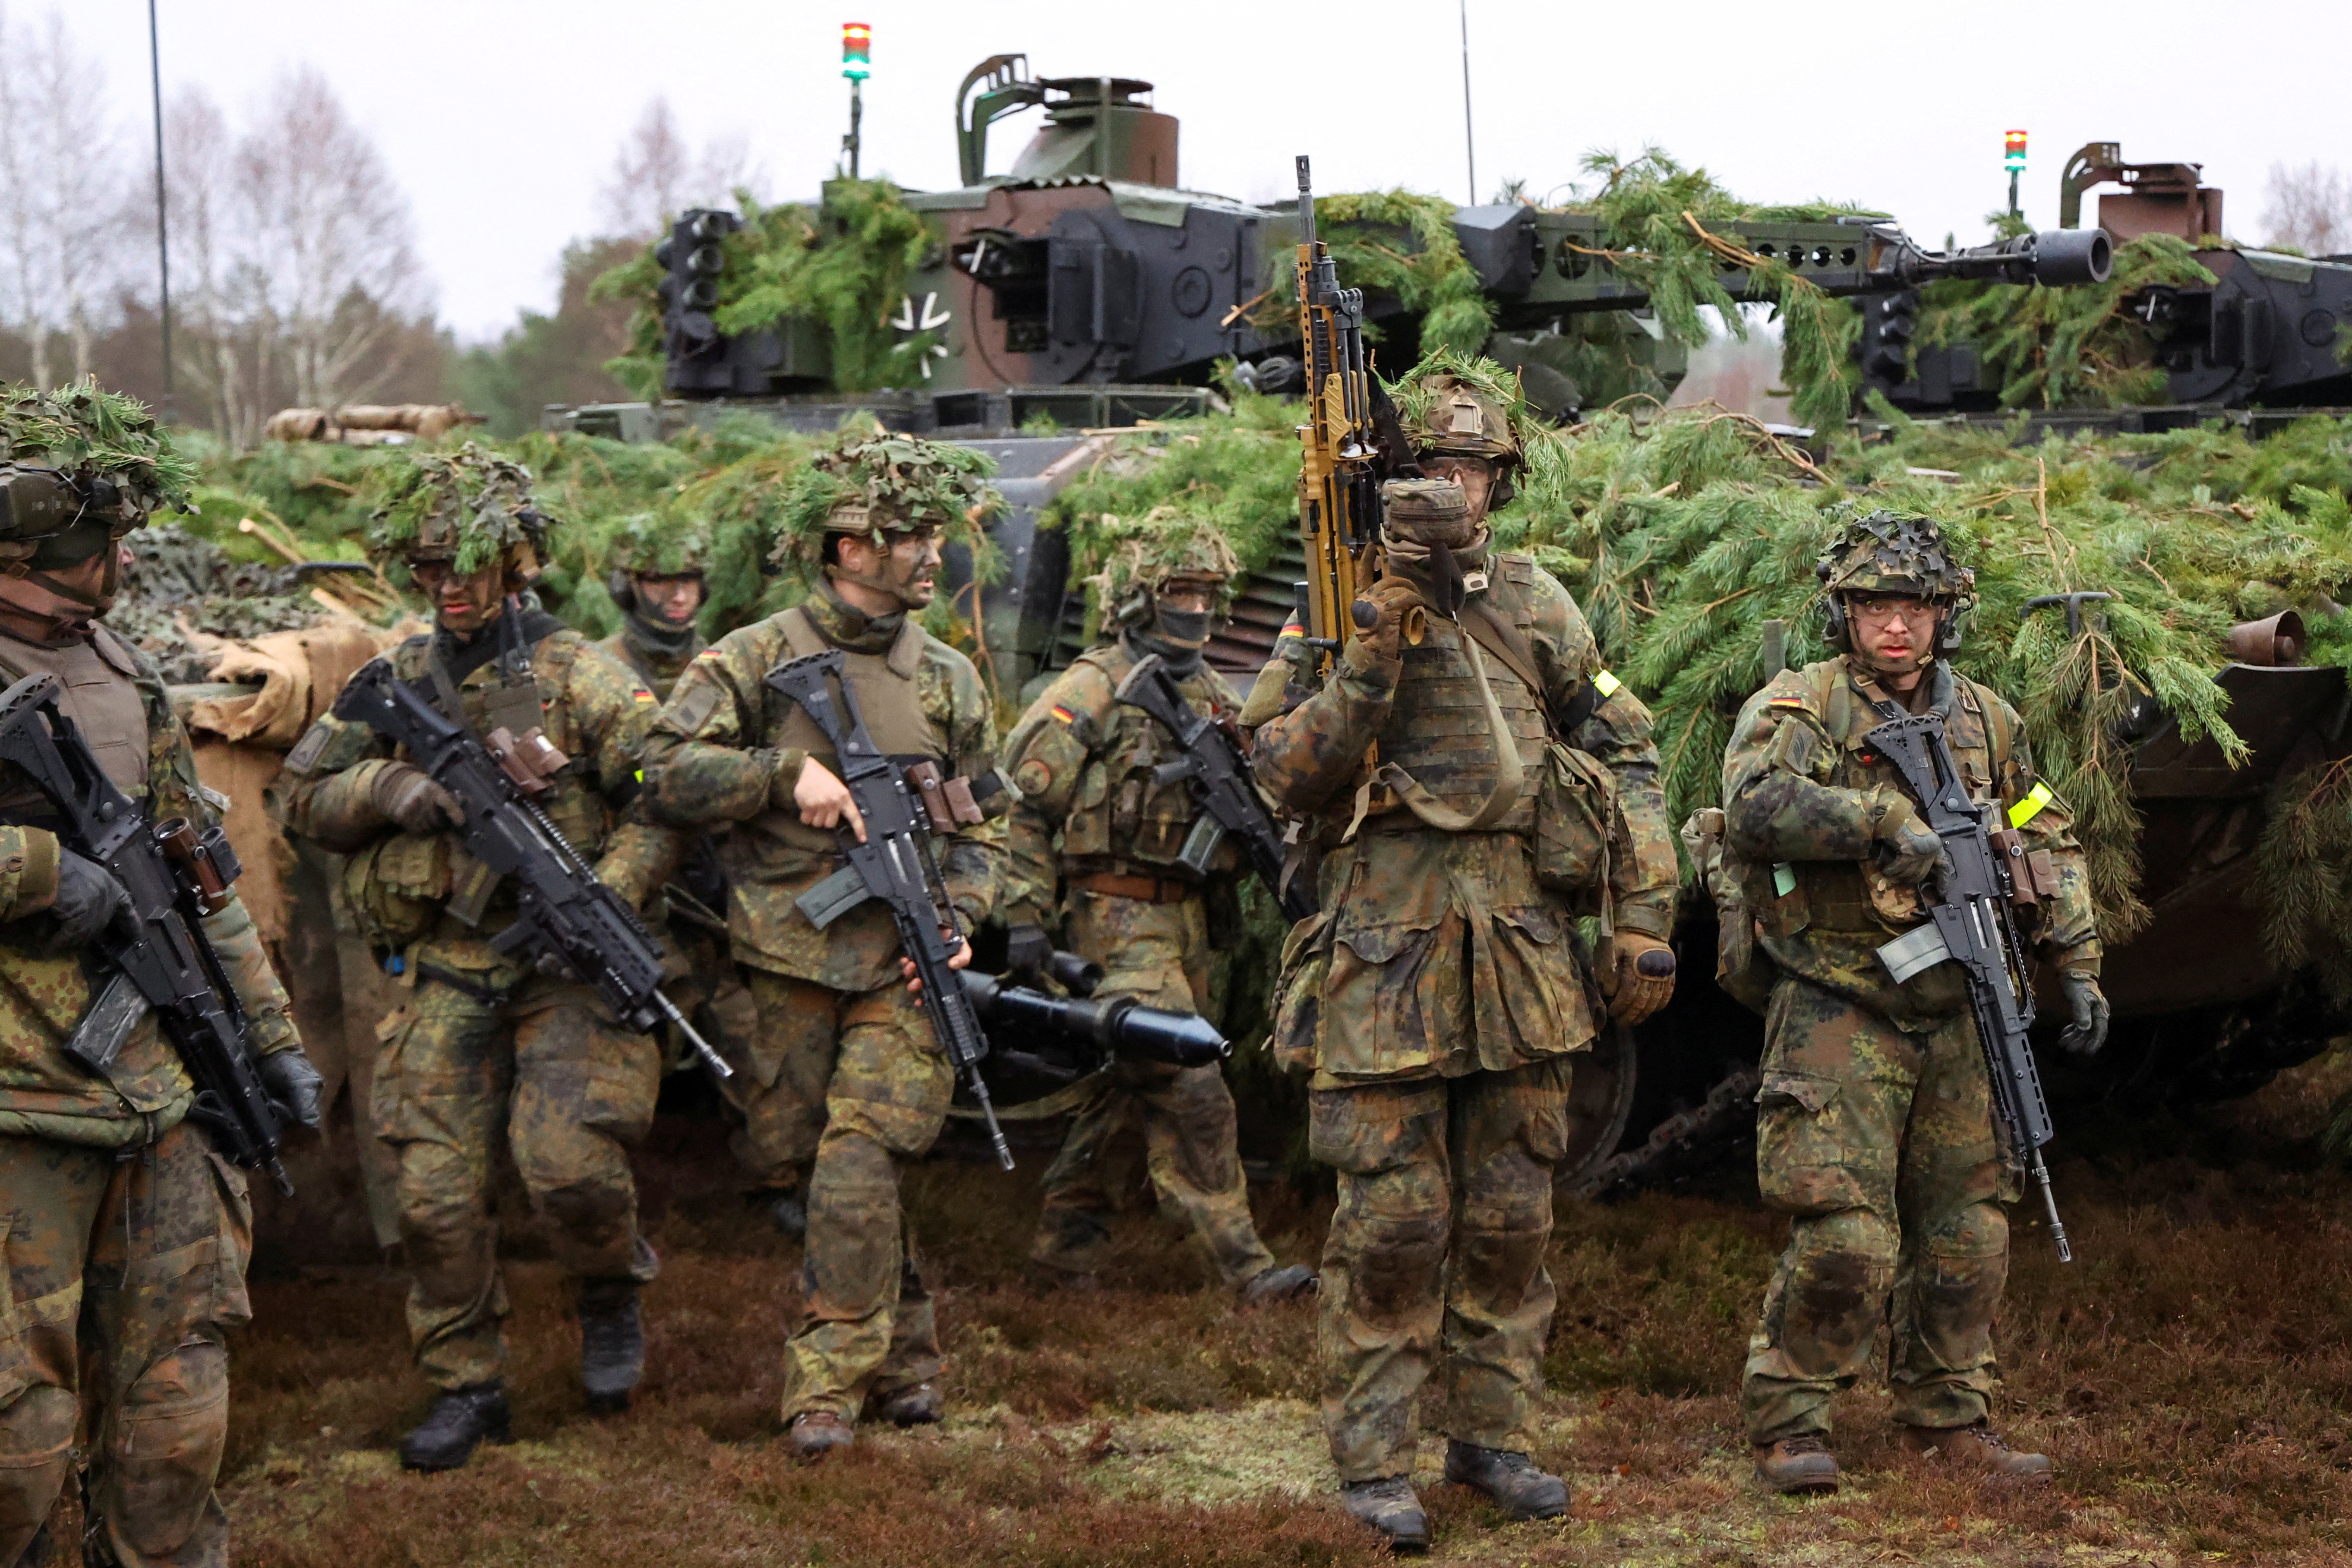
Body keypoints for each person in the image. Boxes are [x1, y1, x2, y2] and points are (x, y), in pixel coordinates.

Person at [1249, 357, 1680, 1552]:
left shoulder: (1540, 604)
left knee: (1511, 1217)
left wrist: (1641, 911)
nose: (1452, 487)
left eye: (1471, 469)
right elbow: (1278, 769)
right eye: (1428, 467)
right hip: (1384, 947)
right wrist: (1372, 651)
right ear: (1388, 482)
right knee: (1389, 1224)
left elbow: (1627, 749)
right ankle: (1373, 1460)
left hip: (1522, 950)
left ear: (1499, 483)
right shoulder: (1335, 602)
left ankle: (1492, 1436)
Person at [275, 445, 680, 1471]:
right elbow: (299, 798)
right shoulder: (396, 681)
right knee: (434, 1195)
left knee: (571, 1166)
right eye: (429, 565)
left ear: (517, 562)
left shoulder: (582, 674)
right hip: (452, 961)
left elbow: (660, 802)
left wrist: (605, 895)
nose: (449, 584)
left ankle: (607, 1293)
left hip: (567, 968)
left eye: (470, 561)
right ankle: (468, 1384)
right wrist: (386, 793)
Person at [639, 429, 1008, 1458]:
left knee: (859, 1155)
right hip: (785, 961)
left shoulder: (946, 676)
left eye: (936, 533)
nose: (931, 553)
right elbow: (656, 769)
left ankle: (824, 1389)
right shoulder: (752, 658)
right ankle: (907, 1351)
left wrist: (963, 914)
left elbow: (988, 818)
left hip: (903, 964)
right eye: (906, 535)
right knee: (802, 1168)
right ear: (845, 547)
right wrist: (776, 776)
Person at [1723, 510, 2107, 1496]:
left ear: (1945, 615)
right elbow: (1757, 808)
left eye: (1915, 607)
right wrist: (1879, 820)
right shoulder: (1798, 705)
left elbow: (2042, 828)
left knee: (1968, 1231)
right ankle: (1791, 1419)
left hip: (1963, 995)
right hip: (1840, 993)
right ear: (1843, 613)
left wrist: (2077, 956)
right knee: (1844, 1233)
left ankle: (1949, 1415)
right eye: (1873, 605)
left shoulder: (1986, 718)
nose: (1895, 626)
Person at [0, 382, 317, 1567]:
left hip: (164, 1092)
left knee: (178, 1414)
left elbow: (199, 876)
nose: (124, 558)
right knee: (14, 1444)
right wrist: (40, 871)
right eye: (105, 538)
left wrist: (273, 1039)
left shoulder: (121, 673)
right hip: (19, 1108)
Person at [998, 511, 1314, 1304]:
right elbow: (1019, 806)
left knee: (1127, 1083)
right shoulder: (1092, 689)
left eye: (1210, 593)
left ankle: (1063, 1252)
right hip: (1114, 918)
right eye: (1179, 591)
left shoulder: (1203, 689)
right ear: (1139, 597)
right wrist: (1026, 917)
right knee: (1187, 1079)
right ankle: (1245, 1268)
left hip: (1185, 921)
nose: (1197, 610)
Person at [596, 515, 764, 1221]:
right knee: (615, 1060)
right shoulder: (597, 670)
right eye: (661, 580)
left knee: (759, 1049)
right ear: (627, 586)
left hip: (722, 885)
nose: (677, 596)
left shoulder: (729, 666)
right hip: (635, 890)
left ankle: (777, 1181)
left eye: (688, 579)